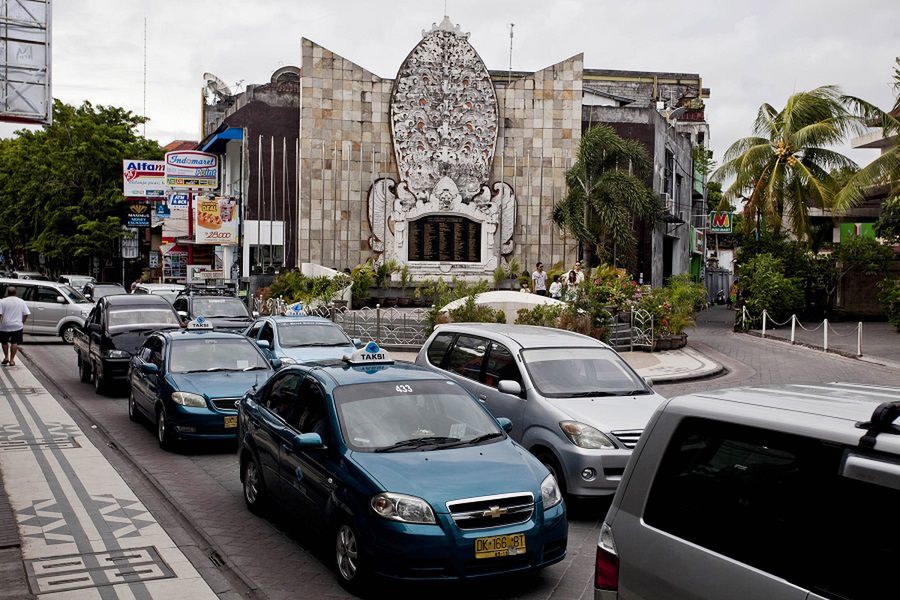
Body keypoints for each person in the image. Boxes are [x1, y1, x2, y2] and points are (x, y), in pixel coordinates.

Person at [0, 286, 30, 367]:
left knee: (4, 342)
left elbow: (0, 314)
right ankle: (12, 360)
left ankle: (6, 357)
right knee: (14, 342)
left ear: (7, 293)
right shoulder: (21, 301)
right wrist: (22, 322)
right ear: (15, 293)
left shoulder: (2, 301)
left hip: (5, 325)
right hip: (17, 325)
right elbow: (26, 313)